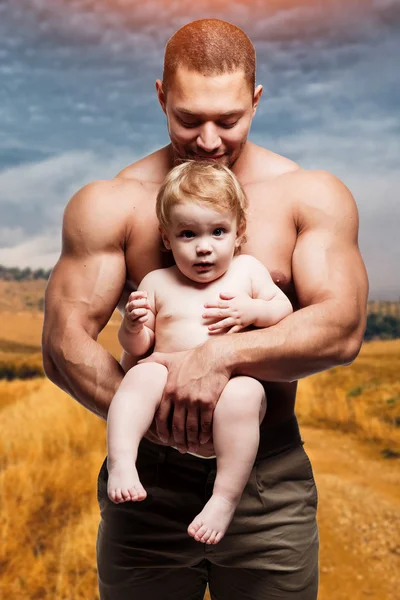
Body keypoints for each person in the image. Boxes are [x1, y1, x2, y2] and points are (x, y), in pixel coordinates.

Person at [42, 18, 368, 600]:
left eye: (230, 118)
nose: (210, 140)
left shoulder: (307, 195)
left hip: (266, 479)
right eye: (189, 119)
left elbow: (341, 328)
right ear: (162, 96)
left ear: (256, 99)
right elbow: (62, 344)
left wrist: (220, 356)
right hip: (146, 484)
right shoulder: (111, 203)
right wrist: (155, 410)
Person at [106, 160, 293, 547]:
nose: (204, 247)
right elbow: (139, 349)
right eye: (188, 234)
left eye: (218, 231)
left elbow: (283, 312)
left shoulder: (248, 271)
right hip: (165, 383)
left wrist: (254, 310)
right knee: (140, 375)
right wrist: (133, 327)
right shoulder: (157, 282)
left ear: (239, 232)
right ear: (166, 238)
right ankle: (122, 463)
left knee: (246, 395)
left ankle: (223, 499)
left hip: (231, 387)